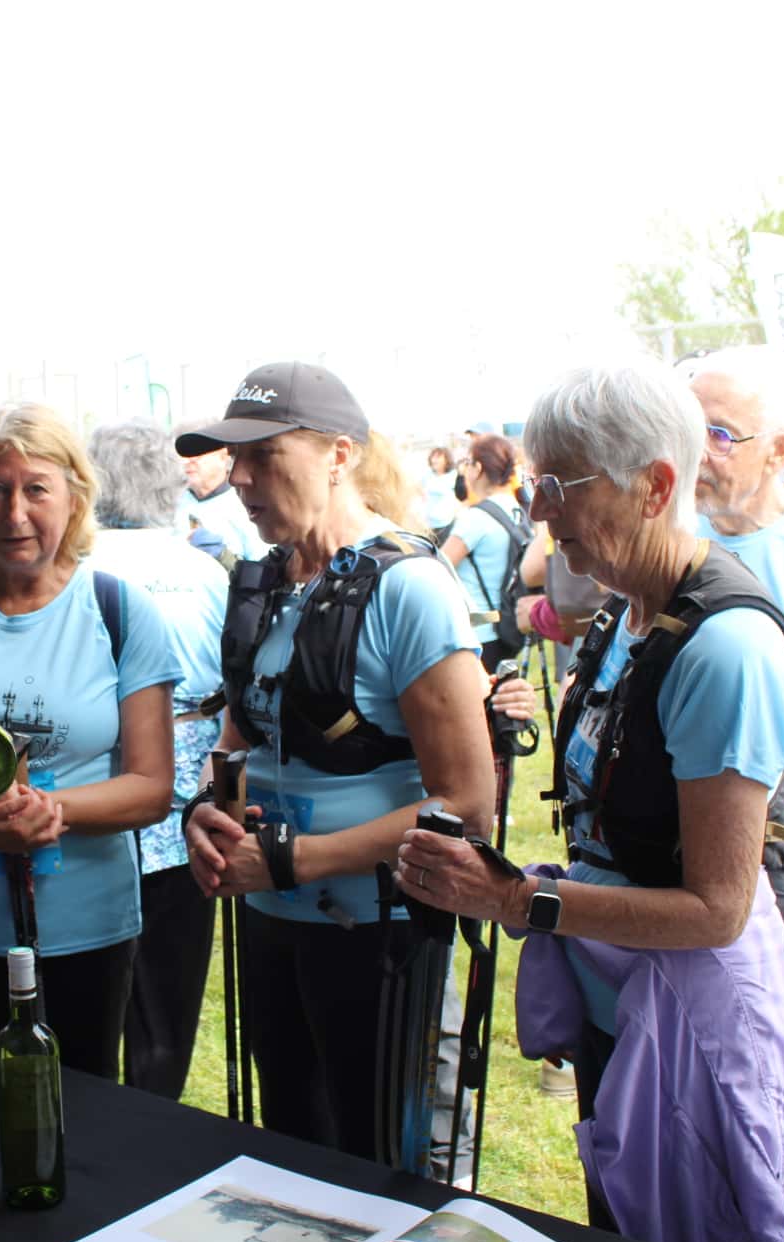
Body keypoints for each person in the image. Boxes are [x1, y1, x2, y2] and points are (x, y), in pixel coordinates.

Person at [395, 358, 784, 1242]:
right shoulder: (627, 613)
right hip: (625, 1006)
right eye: (537, 483)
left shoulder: (726, 648)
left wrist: (518, 902)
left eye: (561, 486)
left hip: (694, 1030)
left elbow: (717, 911)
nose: (539, 511)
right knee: (624, 1241)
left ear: (654, 487)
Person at [179, 362, 496, 1164]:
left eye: (264, 455)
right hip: (270, 921)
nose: (239, 477)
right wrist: (206, 810)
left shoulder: (410, 589)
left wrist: (295, 860)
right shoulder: (264, 582)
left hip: (379, 934)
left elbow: (468, 802)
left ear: (339, 455)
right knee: (292, 1149)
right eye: (233, 457)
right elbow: (240, 739)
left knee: (376, 1160)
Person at [0, 402, 180, 1079]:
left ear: (74, 496)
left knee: (83, 1105)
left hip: (86, 928)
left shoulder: (121, 611)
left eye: (36, 489)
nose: (14, 513)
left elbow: (151, 788)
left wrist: (48, 812)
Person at [84, 420, 228, 1100]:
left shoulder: (74, 569)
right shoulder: (207, 572)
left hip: (94, 789)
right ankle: (155, 1111)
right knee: (168, 996)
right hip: (188, 790)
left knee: (89, 990)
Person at [686, 347, 784, 967]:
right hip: (669, 841)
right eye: (687, 427)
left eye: (718, 434)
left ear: (781, 451)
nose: (696, 452)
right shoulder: (670, 537)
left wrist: (764, 823)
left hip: (781, 853)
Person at [441, 434, 532, 669]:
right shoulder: (515, 509)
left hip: (477, 631)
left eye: (467, 463)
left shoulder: (475, 518)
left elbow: (438, 569)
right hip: (507, 627)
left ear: (478, 468)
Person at [177, 425, 270, 564]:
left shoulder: (246, 503)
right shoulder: (172, 502)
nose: (189, 461)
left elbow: (262, 567)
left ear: (224, 456)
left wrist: (224, 557)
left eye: (198, 454)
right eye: (184, 455)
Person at [421, 446, 460, 540]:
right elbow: (419, 489)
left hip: (446, 524)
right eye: (433, 457)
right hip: (429, 524)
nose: (434, 460)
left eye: (438, 457)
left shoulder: (453, 475)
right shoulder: (428, 475)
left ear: (446, 460)